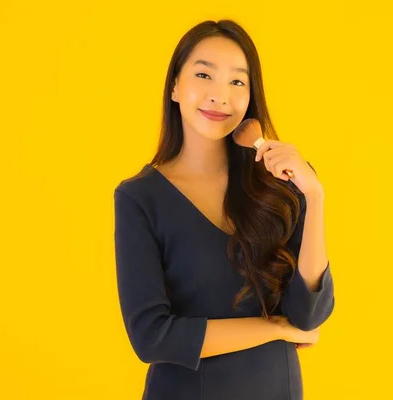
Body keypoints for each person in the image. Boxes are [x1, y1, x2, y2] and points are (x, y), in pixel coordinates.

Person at [113, 19, 335, 400]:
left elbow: (309, 316)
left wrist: (314, 196)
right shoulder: (140, 197)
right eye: (204, 75)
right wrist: (275, 329)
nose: (220, 96)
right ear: (175, 87)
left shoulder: (280, 184)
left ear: (251, 96)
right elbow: (152, 337)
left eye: (237, 81)